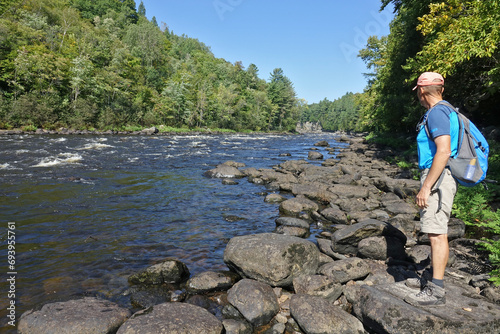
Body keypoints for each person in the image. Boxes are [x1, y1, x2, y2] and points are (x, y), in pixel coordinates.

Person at [404, 72, 459, 306]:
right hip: (443, 175)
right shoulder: (448, 110)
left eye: (417, 90)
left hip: (438, 176)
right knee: (437, 232)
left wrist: (426, 187)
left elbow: (444, 151)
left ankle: (436, 291)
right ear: (441, 90)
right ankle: (432, 279)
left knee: (437, 234)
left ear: (422, 91)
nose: (417, 94)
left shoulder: (436, 113)